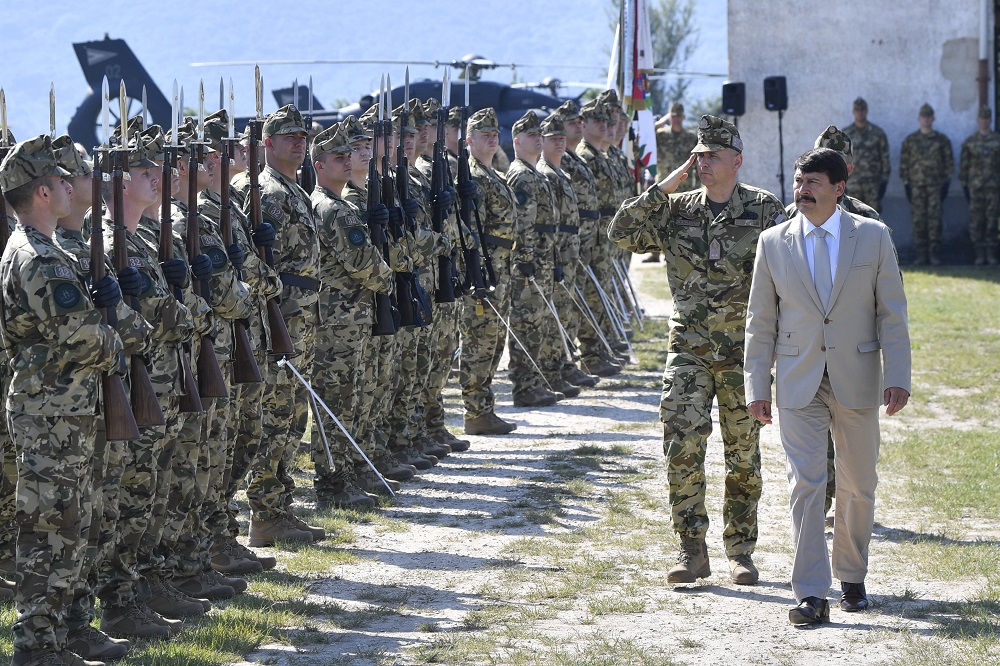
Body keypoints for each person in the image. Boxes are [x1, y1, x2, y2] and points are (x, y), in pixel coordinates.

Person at [608, 115, 786, 586]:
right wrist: (661, 189)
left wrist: (777, 346)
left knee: (742, 453)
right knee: (681, 445)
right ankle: (692, 550)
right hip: (687, 349)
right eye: (699, 155)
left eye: (712, 156)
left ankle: (740, 551)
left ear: (736, 161)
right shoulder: (677, 209)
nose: (703, 163)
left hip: (744, 353)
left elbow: (790, 276)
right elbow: (620, 234)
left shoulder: (765, 209)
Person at [744, 147, 910, 625]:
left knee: (859, 485)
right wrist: (757, 381)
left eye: (814, 182)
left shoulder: (873, 238)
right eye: (799, 181)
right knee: (806, 484)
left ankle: (852, 578)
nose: (802, 190)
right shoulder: (773, 242)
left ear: (840, 188)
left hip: (857, 378)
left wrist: (897, 376)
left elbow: (891, 313)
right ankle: (810, 593)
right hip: (798, 382)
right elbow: (760, 321)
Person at [0, 135, 124, 666]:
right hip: (51, 413)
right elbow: (84, 339)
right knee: (51, 527)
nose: (76, 187)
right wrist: (118, 331)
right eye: (64, 179)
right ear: (45, 192)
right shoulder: (39, 259)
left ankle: (66, 632)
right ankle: (35, 645)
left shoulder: (47, 251)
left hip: (64, 409)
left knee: (75, 522)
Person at [459, 108, 518, 435]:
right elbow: (471, 232)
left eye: (495, 134)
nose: (493, 139)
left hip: (501, 269)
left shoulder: (492, 172)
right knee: (479, 342)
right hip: (484, 272)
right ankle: (475, 411)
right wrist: (476, 275)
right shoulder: (472, 178)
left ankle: (484, 409)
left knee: (495, 341)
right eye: (485, 135)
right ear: (469, 140)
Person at [504, 110, 563, 407]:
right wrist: (525, 258)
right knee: (526, 324)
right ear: (516, 140)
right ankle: (524, 387)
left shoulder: (535, 173)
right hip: (529, 264)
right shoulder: (521, 175)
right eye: (531, 136)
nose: (538, 140)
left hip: (542, 260)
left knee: (538, 323)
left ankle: (534, 382)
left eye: (540, 135)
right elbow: (522, 223)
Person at [899, 103, 953, 266]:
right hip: (917, 187)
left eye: (929, 116)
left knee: (935, 221)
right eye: (924, 116)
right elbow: (904, 164)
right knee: (918, 221)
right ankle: (921, 255)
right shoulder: (910, 140)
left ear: (933, 118)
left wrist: (946, 185)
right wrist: (907, 184)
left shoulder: (942, 140)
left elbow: (949, 163)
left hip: (935, 187)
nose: (926, 119)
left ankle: (934, 254)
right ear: (919, 119)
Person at [648, 102, 700, 263]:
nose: (676, 119)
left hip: (683, 187)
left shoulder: (691, 137)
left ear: (684, 117)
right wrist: (659, 122)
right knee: (659, 220)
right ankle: (656, 253)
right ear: (670, 116)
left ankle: (674, 255)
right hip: (663, 185)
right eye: (673, 116)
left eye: (679, 116)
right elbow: (645, 135)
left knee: (680, 223)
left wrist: (697, 186)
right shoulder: (661, 135)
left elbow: (697, 162)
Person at [958, 106, 1000, 265]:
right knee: (977, 221)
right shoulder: (970, 142)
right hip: (975, 188)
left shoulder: (997, 140)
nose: (984, 122)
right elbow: (964, 167)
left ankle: (991, 254)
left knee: (991, 221)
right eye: (982, 119)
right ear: (978, 121)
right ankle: (979, 254)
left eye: (987, 119)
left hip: (993, 188)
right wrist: (965, 186)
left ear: (990, 120)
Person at [843, 97, 890, 212]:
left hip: (873, 185)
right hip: (852, 184)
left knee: (873, 222)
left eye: (862, 109)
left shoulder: (877, 133)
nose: (860, 112)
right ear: (853, 112)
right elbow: (840, 159)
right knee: (853, 220)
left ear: (866, 110)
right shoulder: (845, 134)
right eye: (857, 110)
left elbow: (885, 158)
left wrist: (883, 182)